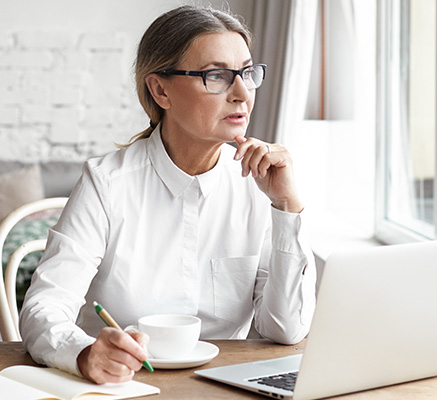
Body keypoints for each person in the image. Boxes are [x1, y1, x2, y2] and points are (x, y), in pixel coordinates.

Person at [20, 5, 316, 384]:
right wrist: (83, 353)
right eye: (217, 76)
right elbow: (44, 306)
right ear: (160, 89)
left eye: (246, 73)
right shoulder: (107, 182)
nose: (242, 93)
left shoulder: (259, 184)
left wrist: (288, 207)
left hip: (226, 387)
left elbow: (286, 330)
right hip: (124, 386)